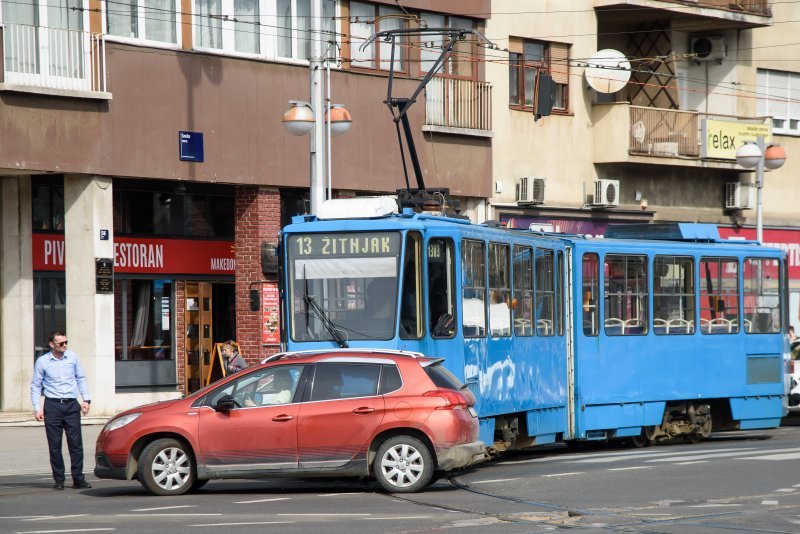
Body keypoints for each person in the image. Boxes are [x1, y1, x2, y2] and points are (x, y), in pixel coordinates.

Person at [30, 330, 92, 490]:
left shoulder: (72, 357)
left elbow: (81, 378)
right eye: (61, 343)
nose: (64, 345)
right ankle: (59, 480)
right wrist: (37, 408)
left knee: (76, 444)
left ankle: (79, 478)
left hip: (71, 405)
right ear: (52, 344)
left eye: (66, 342)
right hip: (52, 406)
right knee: (55, 445)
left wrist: (86, 399)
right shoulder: (42, 361)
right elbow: (36, 386)